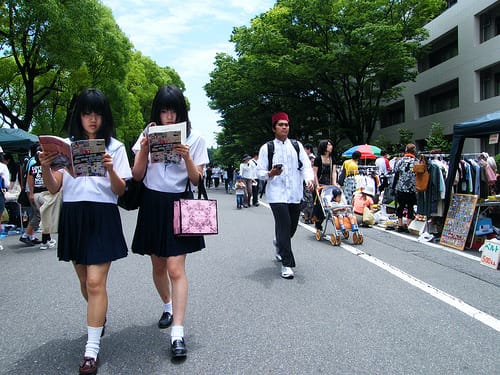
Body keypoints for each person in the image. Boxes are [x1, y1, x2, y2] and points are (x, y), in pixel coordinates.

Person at [39, 88, 131, 375]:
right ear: (78, 115)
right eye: (86, 113)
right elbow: (54, 187)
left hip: (103, 213)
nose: (92, 119)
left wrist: (110, 169)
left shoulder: (115, 147)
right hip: (74, 215)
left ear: (105, 116)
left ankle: (91, 351)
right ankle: (98, 317)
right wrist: (45, 168)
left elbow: (121, 190)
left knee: (94, 282)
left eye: (98, 113)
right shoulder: (64, 146)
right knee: (84, 280)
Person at [131, 85, 209, 358]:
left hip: (180, 202)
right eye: (163, 110)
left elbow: (197, 179)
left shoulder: (195, 137)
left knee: (176, 268)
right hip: (152, 203)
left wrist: (187, 156)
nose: (168, 116)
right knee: (158, 263)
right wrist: (143, 149)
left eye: (173, 110)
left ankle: (178, 332)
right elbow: (137, 176)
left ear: (181, 111)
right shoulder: (147, 134)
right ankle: (167, 305)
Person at [257, 111, 314, 279]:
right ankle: (287, 264)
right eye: (280, 125)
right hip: (276, 194)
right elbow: (259, 172)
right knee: (284, 225)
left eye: (286, 125)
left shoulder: (296, 146)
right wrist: (271, 173)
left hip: (295, 193)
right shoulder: (267, 148)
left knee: (292, 227)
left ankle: (280, 243)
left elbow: (306, 167)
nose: (284, 127)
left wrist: (309, 180)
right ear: (274, 128)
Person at [19, 146, 56, 249]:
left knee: (42, 216)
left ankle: (44, 238)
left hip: (36, 194)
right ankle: (43, 240)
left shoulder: (33, 166)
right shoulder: (49, 166)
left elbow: (30, 181)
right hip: (45, 193)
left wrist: (30, 193)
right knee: (44, 217)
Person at [312, 139, 338, 233]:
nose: (331, 146)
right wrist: (317, 185)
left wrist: (334, 183)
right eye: (329, 145)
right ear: (324, 147)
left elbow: (334, 172)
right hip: (320, 185)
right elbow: (314, 173)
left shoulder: (332, 159)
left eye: (331, 145)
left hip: (329, 185)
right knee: (320, 206)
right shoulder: (318, 159)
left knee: (330, 204)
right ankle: (318, 223)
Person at [393, 143, 417, 233]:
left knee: (401, 206)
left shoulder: (400, 161)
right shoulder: (416, 161)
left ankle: (400, 225)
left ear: (406, 150)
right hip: (411, 188)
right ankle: (408, 225)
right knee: (410, 206)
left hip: (401, 187)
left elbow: (395, 173)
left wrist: (393, 187)